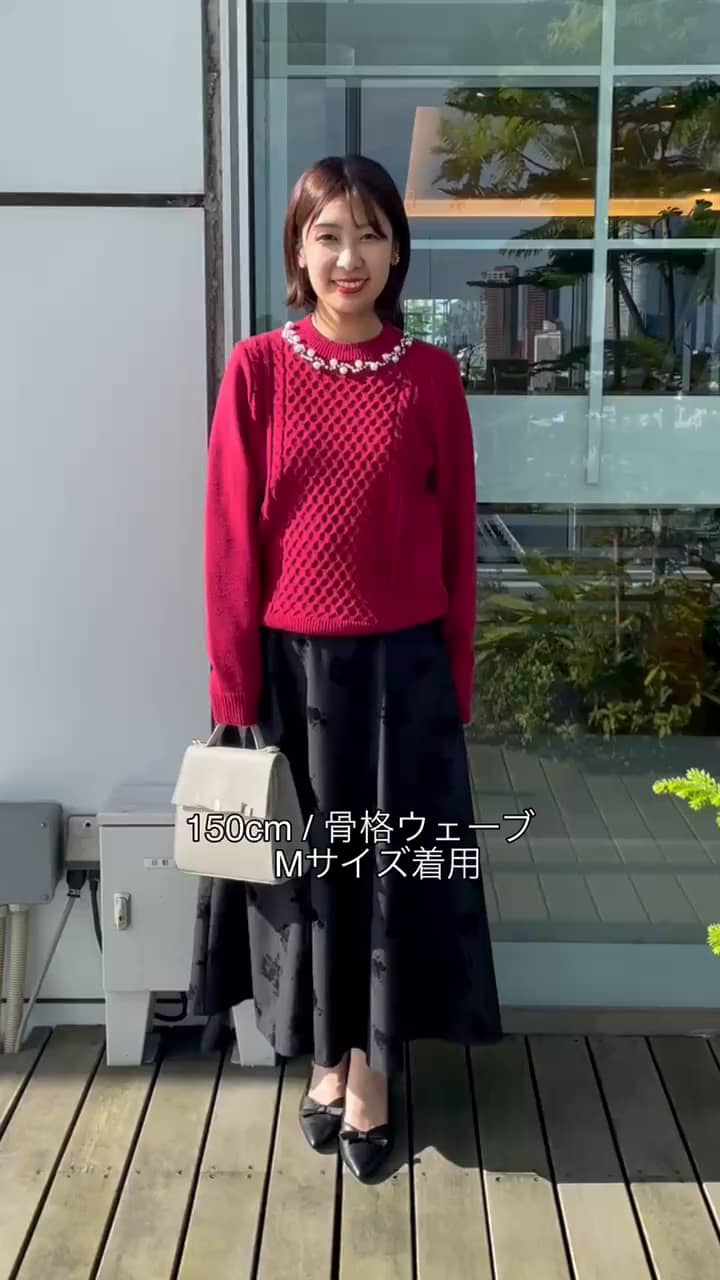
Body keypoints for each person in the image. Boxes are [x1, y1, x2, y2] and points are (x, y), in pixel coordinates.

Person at [193, 153, 503, 1183]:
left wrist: (454, 683)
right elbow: (230, 545)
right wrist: (236, 692)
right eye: (328, 234)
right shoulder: (257, 370)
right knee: (314, 882)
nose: (350, 256)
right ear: (299, 249)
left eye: (371, 234)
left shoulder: (431, 377)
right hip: (294, 680)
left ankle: (371, 1072)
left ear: (398, 251)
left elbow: (456, 542)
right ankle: (326, 1059)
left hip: (403, 680)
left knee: (392, 878)